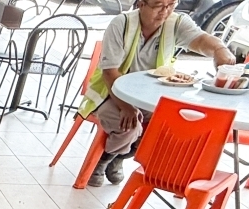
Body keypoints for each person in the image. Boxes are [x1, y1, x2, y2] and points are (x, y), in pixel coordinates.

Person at [79, 0, 236, 187]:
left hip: (149, 97)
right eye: (158, 5)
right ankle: (103, 160)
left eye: (171, 4)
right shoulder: (121, 24)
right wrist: (126, 106)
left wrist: (220, 50)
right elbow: (109, 72)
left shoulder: (176, 22)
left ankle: (119, 158)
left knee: (171, 126)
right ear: (141, 4)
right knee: (128, 126)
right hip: (111, 93)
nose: (165, 11)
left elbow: (201, 40)